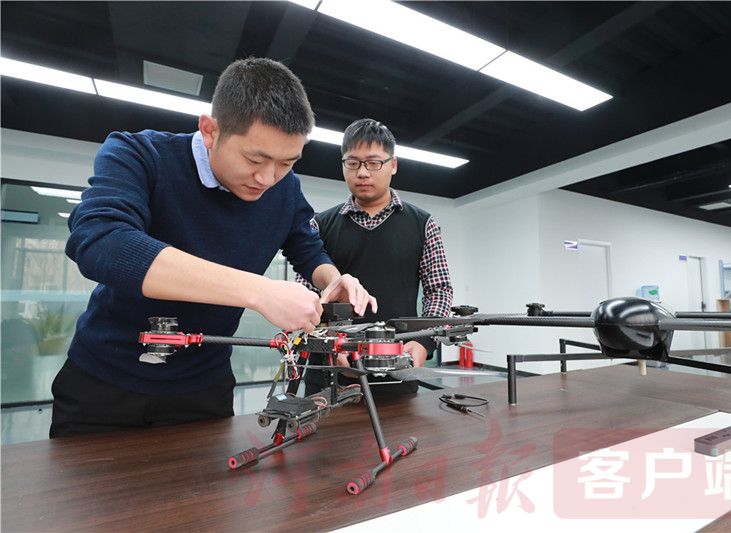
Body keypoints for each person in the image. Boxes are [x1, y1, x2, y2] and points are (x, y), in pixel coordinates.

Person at [50, 58, 377, 438]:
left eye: (286, 163)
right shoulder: (140, 154)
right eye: (254, 159)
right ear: (210, 130)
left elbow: (307, 247)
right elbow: (101, 240)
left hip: (204, 390)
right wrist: (259, 291)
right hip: (103, 381)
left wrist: (333, 279)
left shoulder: (285, 190)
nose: (267, 178)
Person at [297, 119, 453, 395]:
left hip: (397, 371)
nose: (362, 172)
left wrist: (424, 342)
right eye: (352, 163)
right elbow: (304, 296)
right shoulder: (319, 225)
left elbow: (438, 290)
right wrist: (329, 344)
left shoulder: (423, 224)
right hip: (330, 375)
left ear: (393, 165)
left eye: (373, 163)